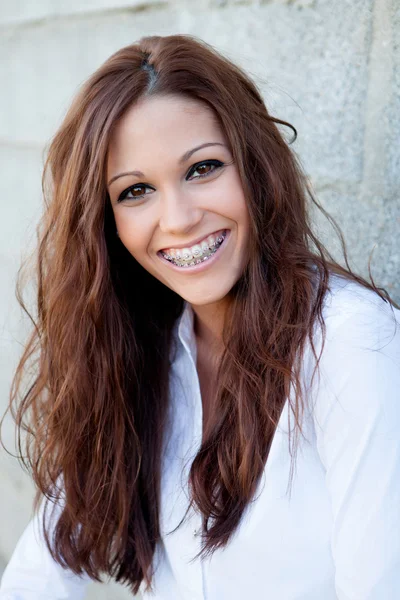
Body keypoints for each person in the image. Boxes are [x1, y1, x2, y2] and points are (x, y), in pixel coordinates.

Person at [1, 33, 399, 600]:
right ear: (106, 224)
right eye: (136, 190)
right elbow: (40, 573)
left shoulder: (352, 344)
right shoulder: (134, 349)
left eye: (203, 168)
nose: (180, 218)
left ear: (256, 165)